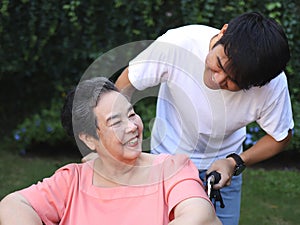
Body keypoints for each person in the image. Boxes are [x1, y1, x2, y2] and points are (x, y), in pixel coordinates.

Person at [110, 12, 294, 225]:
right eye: (219, 63)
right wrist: (117, 144)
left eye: (233, 81)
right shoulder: (179, 43)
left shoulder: (272, 85)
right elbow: (124, 85)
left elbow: (281, 137)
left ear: (257, 84)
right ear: (222, 32)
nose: (217, 79)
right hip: (164, 164)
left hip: (222, 176)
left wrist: (234, 162)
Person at [0, 77, 222, 225]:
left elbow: (199, 214)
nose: (132, 127)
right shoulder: (72, 181)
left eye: (132, 114)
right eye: (116, 122)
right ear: (89, 139)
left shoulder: (171, 169)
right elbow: (12, 205)